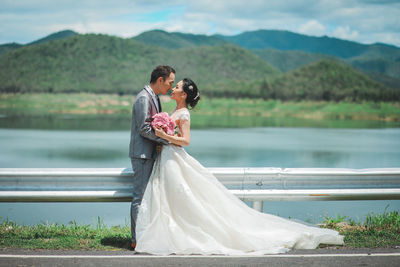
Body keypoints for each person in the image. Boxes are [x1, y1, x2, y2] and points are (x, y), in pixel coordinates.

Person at [134, 78, 344, 255]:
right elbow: (176, 137)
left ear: (184, 95)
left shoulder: (184, 114)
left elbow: (186, 140)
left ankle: (187, 231)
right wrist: (166, 137)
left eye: (177, 87)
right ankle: (173, 229)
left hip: (174, 157)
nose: (173, 88)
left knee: (184, 196)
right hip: (167, 157)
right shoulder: (175, 110)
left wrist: (163, 135)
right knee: (173, 197)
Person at [129, 65, 175, 250]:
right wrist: (167, 140)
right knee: (140, 198)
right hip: (142, 154)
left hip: (149, 153)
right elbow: (144, 128)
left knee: (148, 198)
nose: (171, 87)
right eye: (170, 82)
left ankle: (145, 236)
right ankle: (136, 239)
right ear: (160, 80)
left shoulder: (154, 97)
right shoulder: (143, 98)